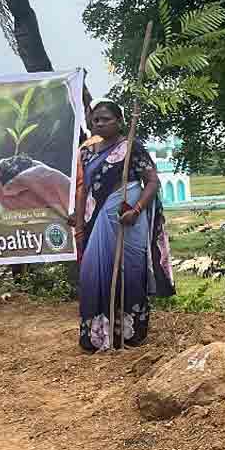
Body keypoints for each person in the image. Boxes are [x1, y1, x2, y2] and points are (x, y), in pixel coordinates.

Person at [69, 101, 173, 352]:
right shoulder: (87, 152)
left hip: (128, 220)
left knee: (131, 272)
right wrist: (79, 218)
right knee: (93, 272)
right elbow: (84, 191)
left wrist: (136, 210)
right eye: (95, 120)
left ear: (119, 120)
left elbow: (152, 182)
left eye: (106, 119)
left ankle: (130, 333)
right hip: (98, 221)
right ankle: (97, 336)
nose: (100, 124)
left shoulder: (132, 148)